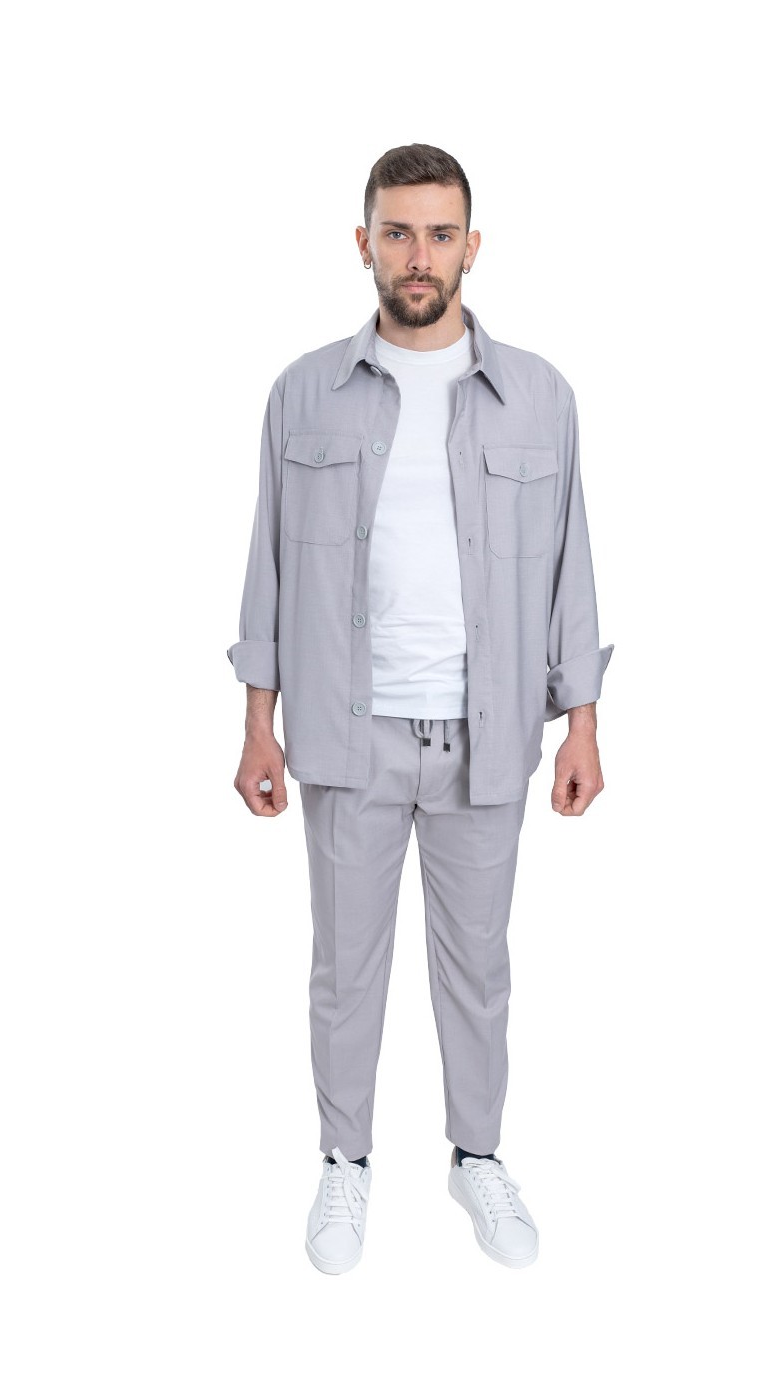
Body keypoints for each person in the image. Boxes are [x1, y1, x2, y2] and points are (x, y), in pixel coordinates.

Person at [227, 144, 614, 1273]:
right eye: (396, 232)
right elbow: (267, 563)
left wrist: (582, 721)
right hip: (344, 736)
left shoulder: (539, 395)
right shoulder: (302, 391)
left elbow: (570, 566)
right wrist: (256, 720)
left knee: (478, 970)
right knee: (344, 970)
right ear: (364, 242)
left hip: (486, 737)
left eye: (439, 234)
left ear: (471, 247)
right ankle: (343, 1162)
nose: (417, 255)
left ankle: (475, 1156)